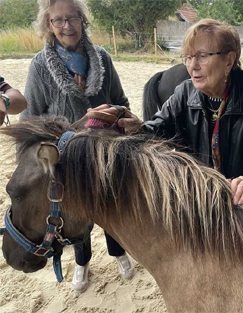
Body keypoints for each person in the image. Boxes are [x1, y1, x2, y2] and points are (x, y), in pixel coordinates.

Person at [89, 18, 243, 204]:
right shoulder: (185, 92)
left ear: (229, 61)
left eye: (202, 56)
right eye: (187, 57)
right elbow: (157, 131)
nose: (192, 66)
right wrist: (136, 128)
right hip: (201, 203)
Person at [21, 0, 134, 292]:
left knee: (111, 207)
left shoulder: (103, 58)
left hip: (106, 153)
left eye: (72, 18)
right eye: (58, 20)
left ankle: (118, 252)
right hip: (66, 160)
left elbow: (122, 100)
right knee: (77, 217)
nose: (66, 26)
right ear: (48, 25)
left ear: (83, 20)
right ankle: (82, 263)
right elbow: (30, 121)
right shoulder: (40, 66)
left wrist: (119, 114)